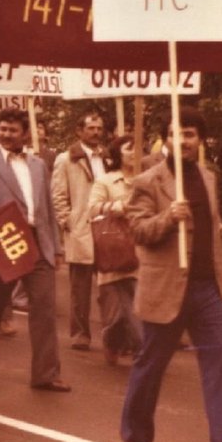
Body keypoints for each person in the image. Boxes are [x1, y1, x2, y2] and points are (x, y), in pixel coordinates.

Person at [120, 107, 222, 442]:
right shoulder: (148, 181)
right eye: (178, 134)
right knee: (151, 364)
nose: (184, 140)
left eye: (191, 134)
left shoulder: (208, 178)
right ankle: (135, 431)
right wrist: (167, 217)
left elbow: (213, 229)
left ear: (200, 140)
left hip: (207, 288)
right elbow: (138, 230)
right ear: (167, 140)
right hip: (166, 289)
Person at [0, 107, 69, 391]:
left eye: (13, 130)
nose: (6, 134)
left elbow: (48, 208)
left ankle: (46, 374)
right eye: (2, 129)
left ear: (25, 133)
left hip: (39, 240)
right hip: (5, 240)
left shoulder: (38, 165)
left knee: (44, 310)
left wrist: (57, 247)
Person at [52, 109, 106, 351]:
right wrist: (68, 222)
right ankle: (80, 334)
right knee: (80, 288)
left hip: (107, 228)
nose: (96, 133)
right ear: (79, 131)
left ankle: (113, 335)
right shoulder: (67, 159)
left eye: (99, 129)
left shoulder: (106, 156)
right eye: (91, 128)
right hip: (81, 229)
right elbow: (58, 195)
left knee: (110, 285)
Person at [87, 134, 142, 365]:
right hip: (114, 250)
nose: (135, 152)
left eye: (138, 148)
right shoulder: (106, 181)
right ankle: (112, 341)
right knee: (116, 312)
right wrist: (115, 206)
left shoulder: (146, 180)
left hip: (140, 249)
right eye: (129, 148)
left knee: (137, 308)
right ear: (118, 153)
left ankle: (140, 349)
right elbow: (92, 209)